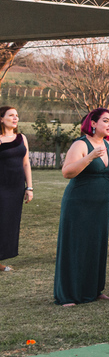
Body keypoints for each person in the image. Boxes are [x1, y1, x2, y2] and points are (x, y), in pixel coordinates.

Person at [53, 108, 109, 305]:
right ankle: (68, 295)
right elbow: (67, 172)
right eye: (105, 120)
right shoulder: (81, 144)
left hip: (102, 202)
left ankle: (94, 289)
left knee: (96, 246)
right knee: (76, 246)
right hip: (79, 203)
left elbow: (107, 173)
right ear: (93, 123)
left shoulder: (108, 144)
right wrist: (90, 157)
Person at [0, 106, 32, 272]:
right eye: (11, 115)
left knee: (9, 223)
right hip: (1, 186)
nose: (15, 118)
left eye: (17, 115)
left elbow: (26, 163)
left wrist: (30, 187)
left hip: (16, 187)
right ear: (1, 119)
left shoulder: (22, 138)